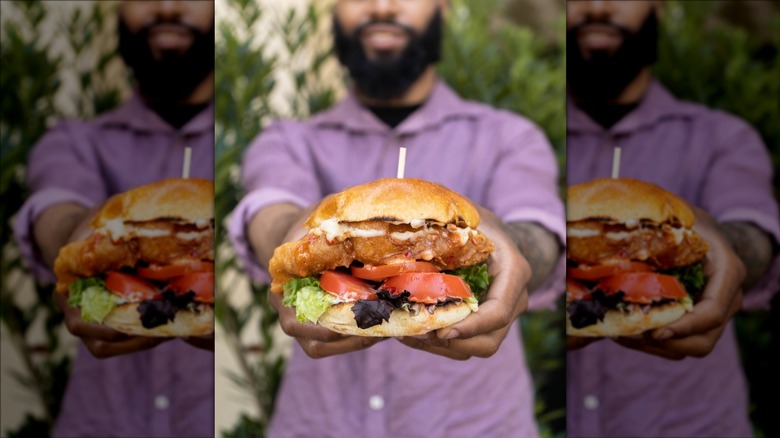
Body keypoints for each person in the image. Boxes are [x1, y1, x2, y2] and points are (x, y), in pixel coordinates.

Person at [228, 0, 564, 436]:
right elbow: (270, 207)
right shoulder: (287, 140)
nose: (382, 6)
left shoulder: (510, 137)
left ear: (442, 7)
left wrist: (504, 238)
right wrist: (298, 237)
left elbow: (540, 230)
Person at [566, 1, 779, 436]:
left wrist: (724, 249)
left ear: (657, 7)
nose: (598, 7)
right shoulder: (528, 138)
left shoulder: (722, 137)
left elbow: (755, 231)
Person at [12, 1, 215, 436]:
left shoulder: (245, 143)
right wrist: (83, 245)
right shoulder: (72, 140)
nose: (167, 7)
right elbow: (56, 205)